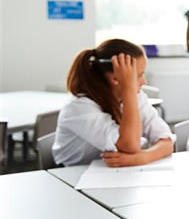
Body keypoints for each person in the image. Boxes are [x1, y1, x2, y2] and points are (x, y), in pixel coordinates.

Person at [53, 39, 175, 167]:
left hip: (112, 174)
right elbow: (130, 145)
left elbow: (166, 141)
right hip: (71, 176)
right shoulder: (78, 107)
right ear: (116, 78)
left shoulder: (136, 97)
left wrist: (144, 157)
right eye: (139, 75)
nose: (144, 82)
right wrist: (129, 88)